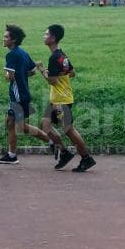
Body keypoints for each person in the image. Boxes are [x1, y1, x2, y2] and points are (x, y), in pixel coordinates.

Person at [35, 24, 96, 172]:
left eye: (46, 34)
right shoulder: (62, 55)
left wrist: (42, 69)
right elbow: (72, 72)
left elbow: (52, 81)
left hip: (61, 99)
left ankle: (86, 158)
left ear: (53, 38)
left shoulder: (54, 57)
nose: (44, 36)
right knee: (45, 125)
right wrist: (56, 73)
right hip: (59, 98)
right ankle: (64, 152)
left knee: (69, 130)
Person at [0, 24, 50, 164]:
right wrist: (21, 74)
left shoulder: (11, 54)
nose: (3, 39)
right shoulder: (23, 52)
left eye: (6, 37)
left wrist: (8, 75)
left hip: (17, 97)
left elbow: (10, 77)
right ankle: (12, 154)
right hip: (24, 94)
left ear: (13, 40)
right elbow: (32, 71)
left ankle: (13, 155)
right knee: (15, 124)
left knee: (17, 125)